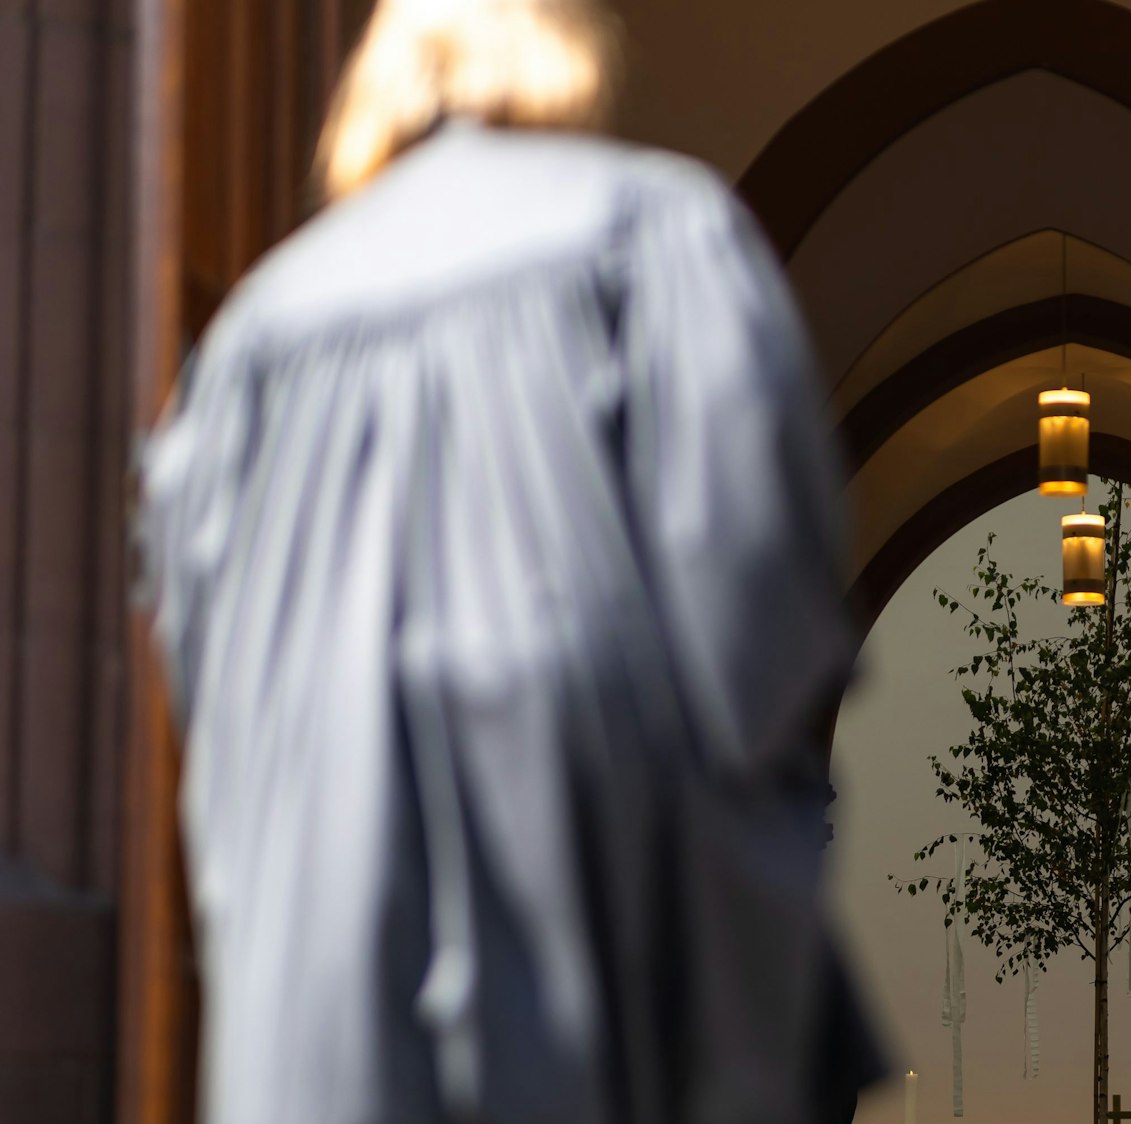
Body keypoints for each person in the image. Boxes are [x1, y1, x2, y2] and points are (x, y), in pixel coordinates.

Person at [139, 0, 881, 1120]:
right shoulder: (653, 231)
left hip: (315, 916)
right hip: (570, 881)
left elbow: (202, 650)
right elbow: (751, 609)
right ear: (561, 57)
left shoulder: (256, 331)